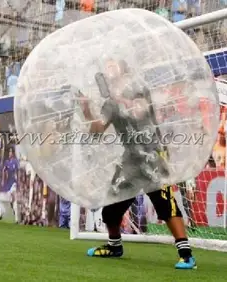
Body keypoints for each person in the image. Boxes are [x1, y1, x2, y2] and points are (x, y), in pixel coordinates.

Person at [79, 59, 196, 269]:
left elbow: (139, 111)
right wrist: (87, 110)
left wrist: (119, 98)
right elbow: (97, 131)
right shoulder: (109, 103)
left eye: (113, 63)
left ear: (124, 69)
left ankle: (186, 254)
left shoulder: (137, 88)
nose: (109, 66)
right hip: (131, 159)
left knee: (166, 204)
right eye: (106, 65)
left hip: (152, 154)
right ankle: (114, 246)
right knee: (110, 209)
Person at [2, 147, 19, 223]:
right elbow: (3, 170)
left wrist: (17, 178)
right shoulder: (6, 162)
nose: (9, 153)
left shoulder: (15, 161)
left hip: (14, 183)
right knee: (10, 201)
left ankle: (16, 219)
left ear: (13, 153)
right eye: (9, 152)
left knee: (14, 198)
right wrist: (3, 180)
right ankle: (2, 213)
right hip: (8, 184)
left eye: (11, 152)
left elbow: (17, 172)